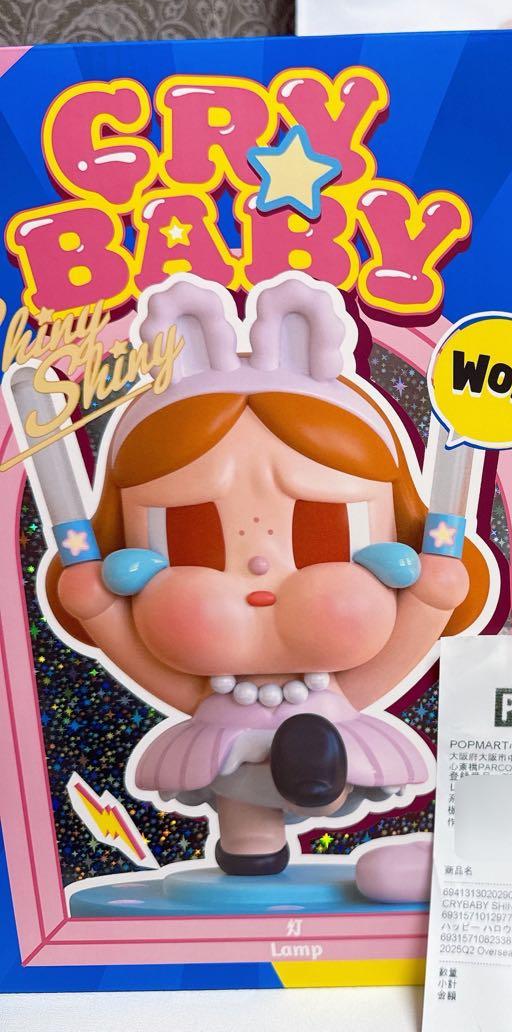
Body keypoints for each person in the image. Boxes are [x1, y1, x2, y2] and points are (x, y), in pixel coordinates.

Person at [46, 271, 489, 900]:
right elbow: (148, 666)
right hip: (223, 738)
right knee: (244, 817)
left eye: (323, 531)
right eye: (194, 537)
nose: (260, 568)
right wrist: (98, 611)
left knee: (321, 764)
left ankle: (315, 784)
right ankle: (251, 846)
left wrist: (431, 597)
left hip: (325, 730)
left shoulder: (341, 674)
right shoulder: (201, 680)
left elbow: (393, 655)